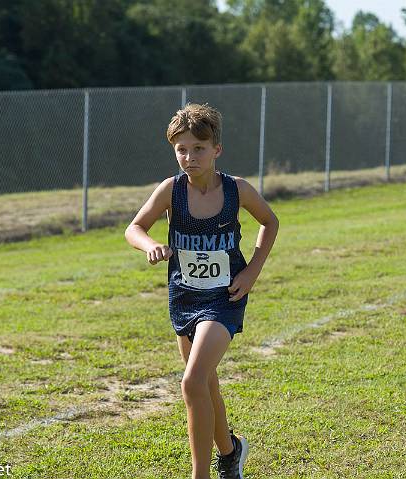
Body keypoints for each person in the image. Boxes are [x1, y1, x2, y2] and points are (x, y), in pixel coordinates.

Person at [125, 103, 279, 479]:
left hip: (225, 298)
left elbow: (269, 223)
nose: (189, 157)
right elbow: (134, 227)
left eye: (198, 148)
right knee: (206, 384)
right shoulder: (171, 190)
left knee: (192, 381)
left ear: (216, 150)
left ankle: (200, 475)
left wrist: (253, 271)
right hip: (184, 297)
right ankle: (230, 452)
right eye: (181, 149)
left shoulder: (236, 189)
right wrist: (150, 246)